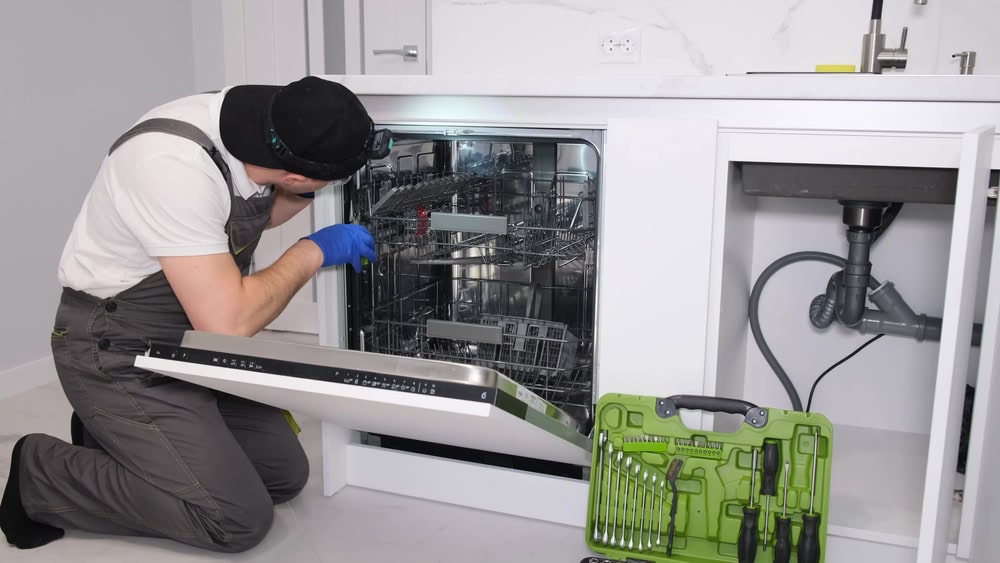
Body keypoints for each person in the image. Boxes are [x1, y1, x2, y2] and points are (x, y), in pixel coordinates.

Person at [0, 76, 382, 552]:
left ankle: (111, 437)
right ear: (298, 176)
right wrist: (311, 253)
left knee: (282, 476)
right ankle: (43, 474)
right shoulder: (170, 165)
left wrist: (313, 195)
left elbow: (261, 208)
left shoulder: (264, 122)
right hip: (115, 349)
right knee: (234, 519)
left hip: (189, 344)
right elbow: (228, 322)